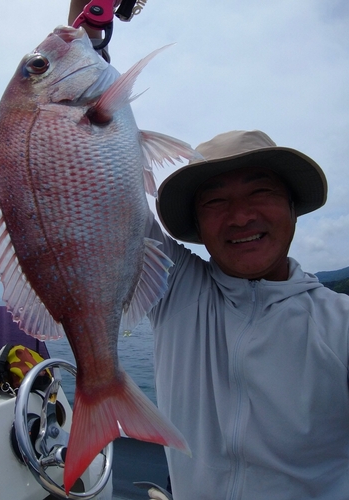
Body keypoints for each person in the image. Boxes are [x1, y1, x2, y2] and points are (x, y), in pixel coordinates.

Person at [68, 3, 349, 499]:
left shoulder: (340, 324)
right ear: (196, 225)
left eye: (259, 191)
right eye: (216, 201)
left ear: (293, 207)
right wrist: (87, 36)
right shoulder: (175, 287)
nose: (241, 216)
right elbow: (90, 185)